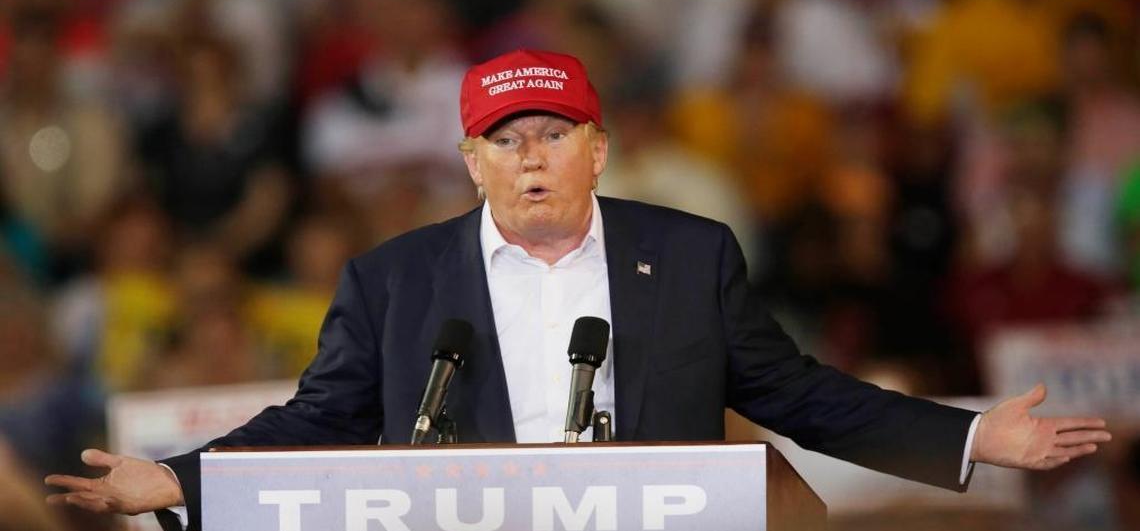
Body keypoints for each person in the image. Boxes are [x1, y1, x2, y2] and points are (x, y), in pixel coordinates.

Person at [45, 49, 1111, 530]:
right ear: (470, 162)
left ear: (598, 148)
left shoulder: (690, 255)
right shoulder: (393, 279)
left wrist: (971, 440)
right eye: (503, 141)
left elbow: (796, 392)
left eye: (552, 133)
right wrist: (177, 481)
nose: (530, 157)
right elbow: (318, 420)